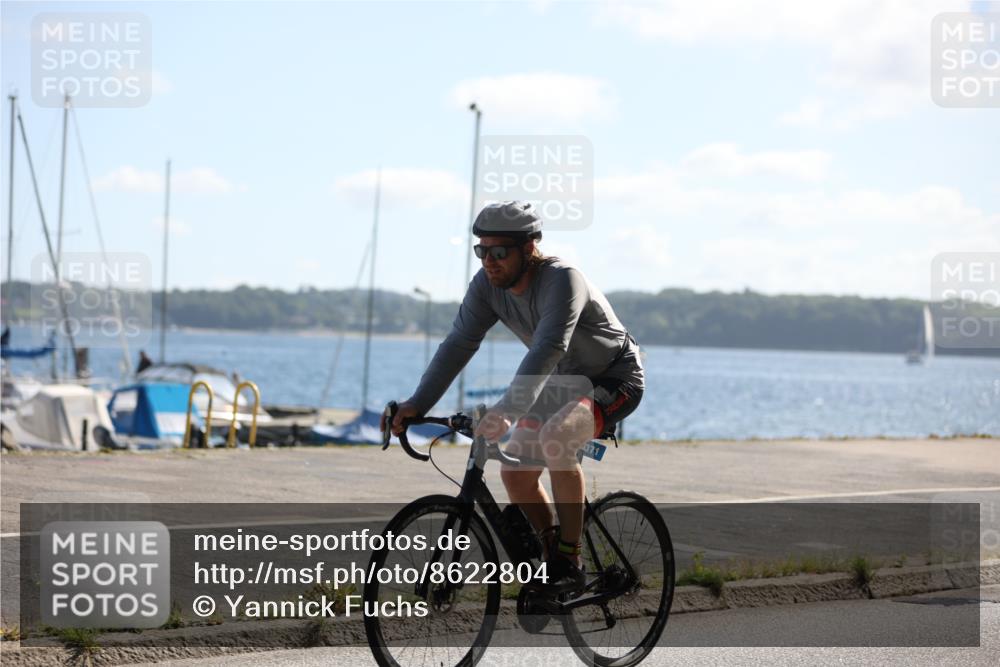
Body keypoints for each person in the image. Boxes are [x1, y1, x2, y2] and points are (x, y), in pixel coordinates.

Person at [391, 200, 644, 593]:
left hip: (614, 377)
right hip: (559, 382)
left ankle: (570, 560)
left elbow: (548, 348)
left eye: (499, 252)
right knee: (515, 473)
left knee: (557, 438)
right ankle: (551, 557)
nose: (489, 261)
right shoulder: (487, 287)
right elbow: (458, 344)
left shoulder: (563, 280)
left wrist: (508, 410)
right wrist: (417, 404)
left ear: (529, 249)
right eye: (482, 251)